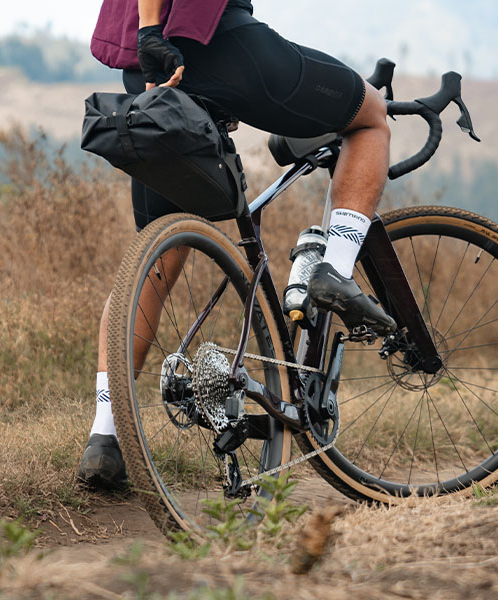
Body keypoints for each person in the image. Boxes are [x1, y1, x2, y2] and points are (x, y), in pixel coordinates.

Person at [78, 0, 395, 490]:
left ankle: (105, 437)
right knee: (370, 116)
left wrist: (145, 36)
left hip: (147, 67)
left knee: (158, 255)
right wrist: (149, 27)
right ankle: (334, 268)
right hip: (211, 41)